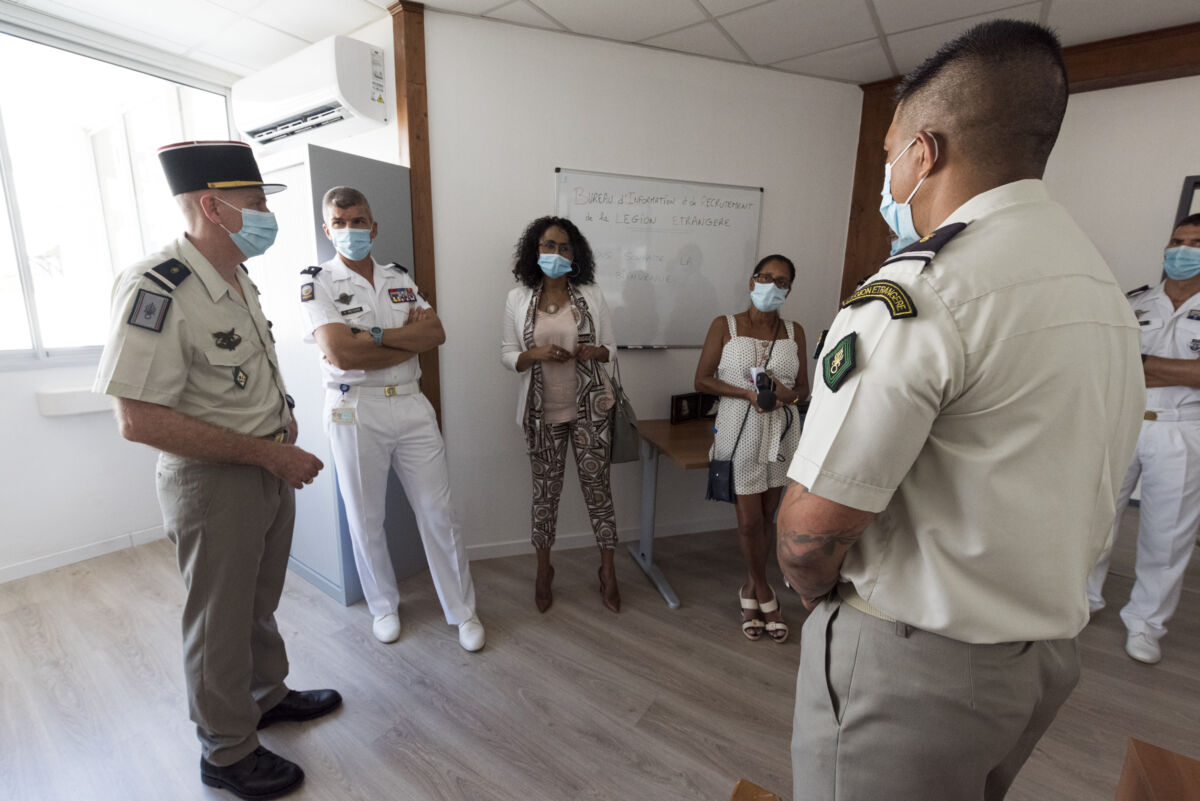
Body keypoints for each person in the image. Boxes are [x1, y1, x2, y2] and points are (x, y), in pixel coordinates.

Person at [775, 21, 1144, 801]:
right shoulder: (1097, 285)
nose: (887, 178)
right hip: (1041, 658)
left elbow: (812, 528)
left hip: (914, 672)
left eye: (888, 155)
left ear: (924, 151)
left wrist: (811, 590)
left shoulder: (921, 293)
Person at [94, 140, 341, 801]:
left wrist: (282, 420)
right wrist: (268, 453)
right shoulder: (158, 286)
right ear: (212, 206)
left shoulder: (235, 276)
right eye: (256, 202)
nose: (266, 215)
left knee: (256, 601)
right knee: (218, 619)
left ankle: (265, 694)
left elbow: (245, 371)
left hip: (266, 467)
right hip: (214, 481)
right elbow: (137, 419)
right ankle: (227, 752)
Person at [299, 186, 484, 652]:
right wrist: (403, 338)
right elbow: (341, 353)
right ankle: (383, 606)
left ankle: (462, 612)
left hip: (411, 404)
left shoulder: (398, 276)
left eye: (358, 221)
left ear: (374, 227)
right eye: (339, 223)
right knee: (366, 518)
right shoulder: (317, 281)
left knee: (439, 513)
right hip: (354, 408)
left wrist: (373, 337)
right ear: (327, 230)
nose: (350, 230)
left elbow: (435, 333)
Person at [1087, 213, 1200, 665]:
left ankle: (1147, 624)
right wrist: (1177, 372)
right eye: (1177, 241)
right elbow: (1104, 359)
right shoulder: (1134, 301)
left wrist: (1141, 363)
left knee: (1167, 535)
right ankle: (1083, 598)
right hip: (1124, 420)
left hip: (1181, 430)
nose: (1182, 251)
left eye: (1195, 243)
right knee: (1096, 517)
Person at [500, 216, 621, 613]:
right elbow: (507, 354)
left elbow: (611, 348)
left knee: (598, 492)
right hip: (541, 415)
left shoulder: (591, 294)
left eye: (564, 246)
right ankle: (543, 570)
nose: (556, 253)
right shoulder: (519, 298)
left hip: (591, 411)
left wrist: (594, 351)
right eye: (548, 245)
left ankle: (608, 571)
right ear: (535, 251)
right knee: (545, 496)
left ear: (575, 253)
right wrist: (533, 354)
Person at [694, 255, 807, 642]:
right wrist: (746, 393)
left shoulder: (794, 331)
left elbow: (804, 390)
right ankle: (763, 592)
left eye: (782, 281)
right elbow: (701, 380)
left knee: (767, 515)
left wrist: (787, 394)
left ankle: (749, 587)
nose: (772, 286)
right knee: (748, 522)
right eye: (766, 277)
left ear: (789, 290)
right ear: (751, 281)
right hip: (737, 430)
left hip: (782, 433)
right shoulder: (724, 325)